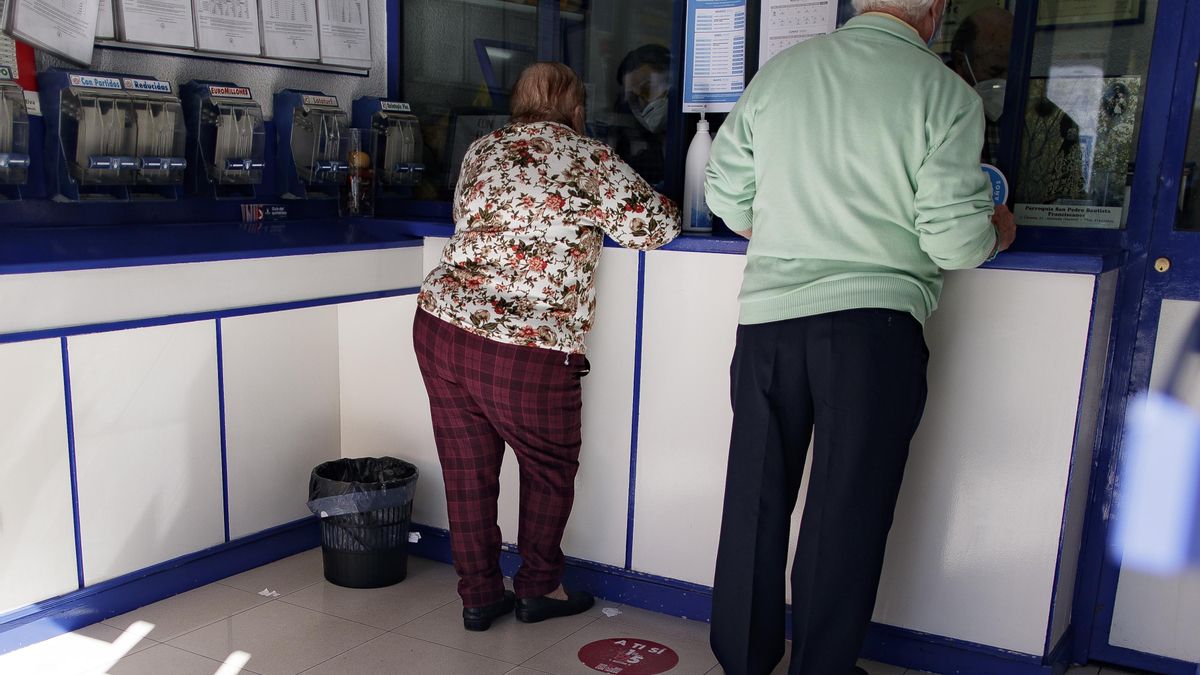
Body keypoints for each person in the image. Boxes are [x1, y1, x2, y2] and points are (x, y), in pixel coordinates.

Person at [703, 1, 1017, 674]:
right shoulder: (944, 95)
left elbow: (727, 197)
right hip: (872, 331)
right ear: (933, 12)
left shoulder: (781, 74)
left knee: (754, 499)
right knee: (843, 513)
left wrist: (790, 231)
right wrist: (1001, 228)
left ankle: (742, 662)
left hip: (769, 327)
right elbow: (954, 239)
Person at [413, 62, 680, 632]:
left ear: (516, 106)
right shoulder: (587, 157)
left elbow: (467, 214)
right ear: (577, 111)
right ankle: (539, 588)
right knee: (548, 467)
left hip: (441, 325)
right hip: (525, 345)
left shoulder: (482, 148)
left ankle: (479, 595)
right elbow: (654, 228)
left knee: (466, 468)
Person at [948, 7, 1086, 202]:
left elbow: (1067, 204)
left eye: (1014, 71)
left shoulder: (1056, 124)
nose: (1006, 82)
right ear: (961, 62)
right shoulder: (933, 112)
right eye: (995, 71)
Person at [608, 44, 672, 187]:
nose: (643, 102)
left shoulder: (702, 138)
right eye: (634, 97)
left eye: (647, 88)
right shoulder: (641, 163)